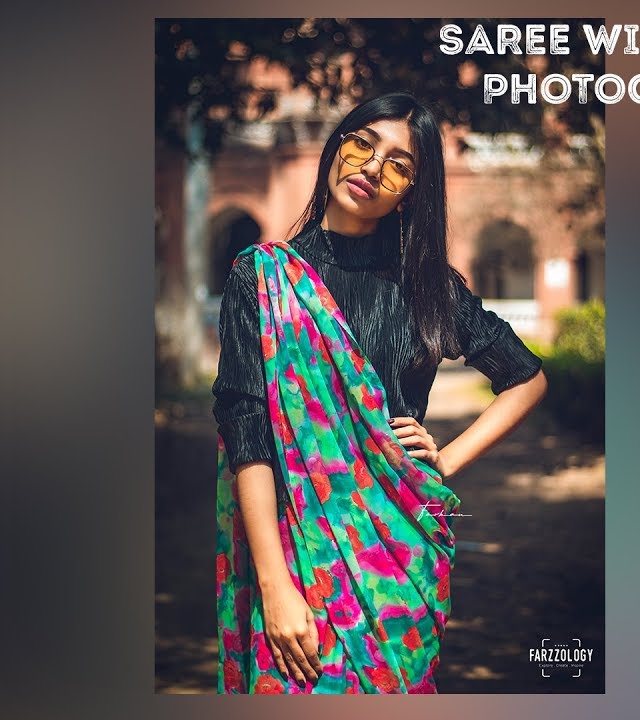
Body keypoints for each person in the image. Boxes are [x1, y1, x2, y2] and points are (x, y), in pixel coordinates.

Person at [212, 92, 548, 693]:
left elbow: (526, 378)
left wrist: (445, 461)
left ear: (413, 189)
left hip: (400, 552)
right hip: (295, 552)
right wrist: (273, 583)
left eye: (399, 164)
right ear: (337, 146)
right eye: (363, 144)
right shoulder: (262, 276)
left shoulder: (427, 285)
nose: (372, 167)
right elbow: (248, 428)